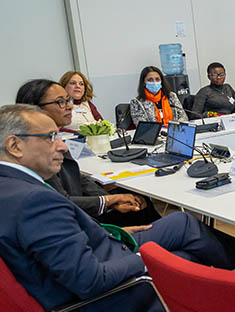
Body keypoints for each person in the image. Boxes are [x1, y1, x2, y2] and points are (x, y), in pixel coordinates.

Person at [0, 104, 235, 312]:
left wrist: (112, 232)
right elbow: (89, 280)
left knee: (181, 222)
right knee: (187, 260)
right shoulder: (34, 202)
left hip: (96, 256)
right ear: (15, 146)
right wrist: (151, 258)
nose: (62, 146)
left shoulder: (11, 188)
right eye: (51, 137)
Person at [16, 79, 160, 226]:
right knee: (172, 220)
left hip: (84, 208)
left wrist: (112, 200)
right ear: (34, 109)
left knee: (138, 201)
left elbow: (79, 179)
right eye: (61, 102)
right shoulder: (36, 150)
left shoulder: (55, 139)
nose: (69, 106)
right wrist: (109, 201)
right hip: (79, 221)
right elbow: (62, 201)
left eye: (68, 100)